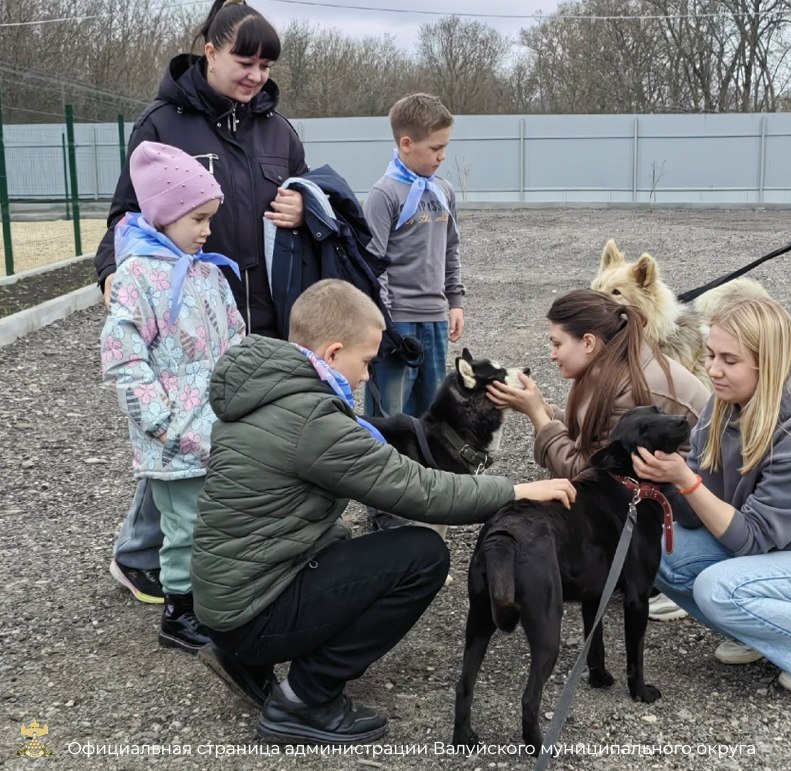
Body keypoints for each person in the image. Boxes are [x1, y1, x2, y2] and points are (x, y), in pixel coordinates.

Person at [191, 279, 576, 746]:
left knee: (347, 544)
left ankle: (248, 659)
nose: (367, 376)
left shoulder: (270, 395)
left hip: (229, 602)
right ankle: (305, 698)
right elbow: (420, 491)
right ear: (333, 353)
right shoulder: (313, 422)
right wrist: (516, 489)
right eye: (367, 361)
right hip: (251, 613)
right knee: (422, 555)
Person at [97, 0, 307, 604]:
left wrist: (303, 205)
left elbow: (309, 190)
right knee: (178, 435)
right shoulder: (164, 123)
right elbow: (125, 214)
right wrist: (112, 274)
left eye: (266, 66)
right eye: (245, 61)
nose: (256, 76)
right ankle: (140, 555)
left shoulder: (278, 129)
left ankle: (234, 546)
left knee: (239, 437)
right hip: (184, 321)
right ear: (210, 52)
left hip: (257, 312)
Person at [632, 296, 791, 696]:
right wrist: (659, 479)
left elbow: (752, 538)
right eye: (711, 355)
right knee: (652, 547)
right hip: (777, 551)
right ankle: (763, 633)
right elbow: (695, 515)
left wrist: (684, 480)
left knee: (719, 589)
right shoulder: (725, 405)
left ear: (768, 362)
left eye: (730, 360)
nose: (713, 370)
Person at [487, 288, 711, 621]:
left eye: (556, 344)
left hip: (690, 504)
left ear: (589, 342)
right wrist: (540, 408)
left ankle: (673, 578)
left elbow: (588, 473)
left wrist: (537, 415)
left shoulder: (632, 387)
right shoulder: (612, 364)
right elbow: (588, 438)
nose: (551, 355)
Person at [101, 141, 245, 653]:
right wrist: (162, 423)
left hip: (217, 429)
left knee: (215, 522)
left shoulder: (209, 273)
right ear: (164, 214)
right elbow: (125, 359)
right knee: (184, 526)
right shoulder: (136, 277)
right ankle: (179, 613)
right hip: (173, 439)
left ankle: (213, 601)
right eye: (197, 219)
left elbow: (236, 338)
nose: (207, 231)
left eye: (210, 219)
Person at [361, 93, 460, 533]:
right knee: (389, 416)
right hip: (397, 324)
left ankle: (424, 495)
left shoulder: (444, 192)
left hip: (434, 319)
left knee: (431, 412)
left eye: (445, 148)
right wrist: (383, 325)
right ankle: (383, 505)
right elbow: (373, 264)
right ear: (405, 143)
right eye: (434, 148)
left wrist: (455, 302)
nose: (441, 156)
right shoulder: (384, 195)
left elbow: (451, 251)